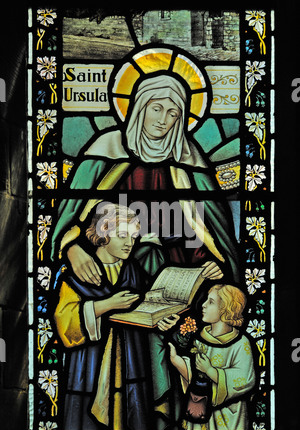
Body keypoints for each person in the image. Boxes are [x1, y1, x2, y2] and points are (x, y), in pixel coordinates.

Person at [50, 73, 240, 286]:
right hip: (108, 267)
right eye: (156, 109)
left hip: (179, 272)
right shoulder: (105, 150)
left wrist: (217, 262)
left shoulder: (189, 160)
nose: (162, 120)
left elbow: (210, 232)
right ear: (140, 107)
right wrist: (71, 249)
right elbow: (71, 218)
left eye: (173, 114)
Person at [54, 203, 180, 430]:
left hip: (132, 363)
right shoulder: (78, 273)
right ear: (103, 231)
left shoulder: (135, 271)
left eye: (133, 236)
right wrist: (106, 305)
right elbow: (65, 325)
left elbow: (144, 313)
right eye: (122, 235)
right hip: (89, 367)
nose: (130, 243)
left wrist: (160, 322)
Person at [169, 284, 256, 430]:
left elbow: (246, 379)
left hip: (229, 418)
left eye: (210, 302)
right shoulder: (200, 339)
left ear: (226, 309)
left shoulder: (241, 344)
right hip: (200, 413)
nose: (203, 305)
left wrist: (211, 371)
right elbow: (195, 378)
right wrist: (176, 361)